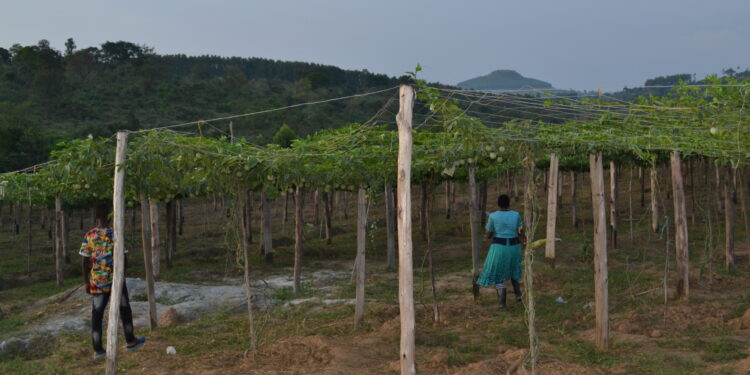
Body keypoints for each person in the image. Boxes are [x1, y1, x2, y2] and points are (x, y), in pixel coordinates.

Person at [80, 203, 146, 360]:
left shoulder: (89, 235)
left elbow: (84, 262)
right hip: (115, 281)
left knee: (97, 315)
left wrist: (87, 282)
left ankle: (98, 350)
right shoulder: (115, 234)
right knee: (125, 310)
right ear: (110, 216)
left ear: (96, 216)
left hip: (97, 282)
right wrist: (122, 276)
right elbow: (124, 257)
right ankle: (130, 341)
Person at [476, 194, 525, 310]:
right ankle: (518, 295)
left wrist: (489, 234)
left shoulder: (493, 216)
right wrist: (524, 241)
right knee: (514, 269)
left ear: (498, 204)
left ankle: (502, 301)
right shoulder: (516, 215)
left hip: (499, 247)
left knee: (498, 272)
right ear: (509, 203)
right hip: (514, 246)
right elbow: (520, 232)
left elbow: (488, 234)